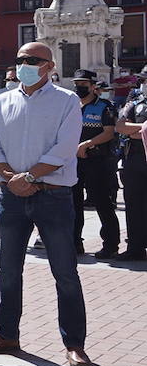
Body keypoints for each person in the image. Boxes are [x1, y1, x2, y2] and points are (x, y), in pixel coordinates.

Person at [0, 42, 92, 366]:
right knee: (8, 270)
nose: (24, 64)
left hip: (53, 196)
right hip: (11, 196)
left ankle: (74, 343)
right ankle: (7, 333)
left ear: (49, 65)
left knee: (65, 272)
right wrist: (11, 178)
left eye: (32, 60)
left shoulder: (67, 101)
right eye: (20, 60)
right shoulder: (1, 101)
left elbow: (65, 148)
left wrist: (27, 176)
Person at [69, 69, 121, 259]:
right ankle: (75, 243)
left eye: (83, 84)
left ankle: (110, 244)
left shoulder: (104, 107)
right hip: (75, 161)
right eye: (77, 84)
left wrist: (87, 144)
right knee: (74, 202)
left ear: (93, 86)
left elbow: (108, 132)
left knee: (102, 202)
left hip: (98, 161)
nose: (79, 87)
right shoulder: (72, 106)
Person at [115, 92, 147, 261]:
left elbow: (129, 129)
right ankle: (135, 248)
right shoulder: (135, 102)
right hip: (134, 159)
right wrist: (144, 128)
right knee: (134, 205)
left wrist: (136, 131)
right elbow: (120, 127)